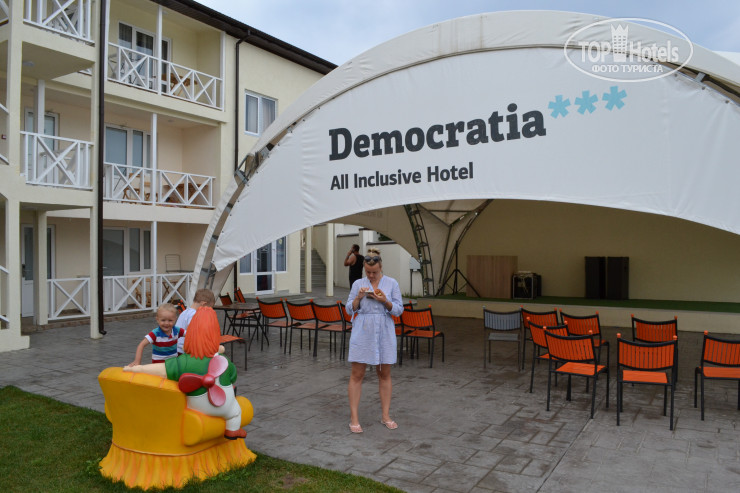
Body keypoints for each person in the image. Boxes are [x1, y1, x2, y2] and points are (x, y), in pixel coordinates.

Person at [124, 306, 246, 440]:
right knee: (235, 412)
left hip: (194, 405)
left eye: (170, 320)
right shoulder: (223, 360)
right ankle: (232, 430)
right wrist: (216, 350)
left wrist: (135, 369)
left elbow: (163, 369)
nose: (167, 323)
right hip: (226, 408)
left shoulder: (183, 359)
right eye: (163, 320)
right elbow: (233, 376)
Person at [345, 247, 404, 433]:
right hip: (363, 330)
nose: (370, 276)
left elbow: (398, 310)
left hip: (384, 331)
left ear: (381, 268)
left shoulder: (392, 283)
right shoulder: (358, 284)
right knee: (357, 374)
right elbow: (349, 309)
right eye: (368, 272)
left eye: (374, 273)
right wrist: (358, 298)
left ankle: (385, 415)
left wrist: (385, 300)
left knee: (384, 374)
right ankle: (354, 418)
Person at [176, 289, 216, 354]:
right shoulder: (194, 315)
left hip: (177, 347)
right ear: (203, 304)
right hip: (184, 350)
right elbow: (195, 334)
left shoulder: (185, 312)